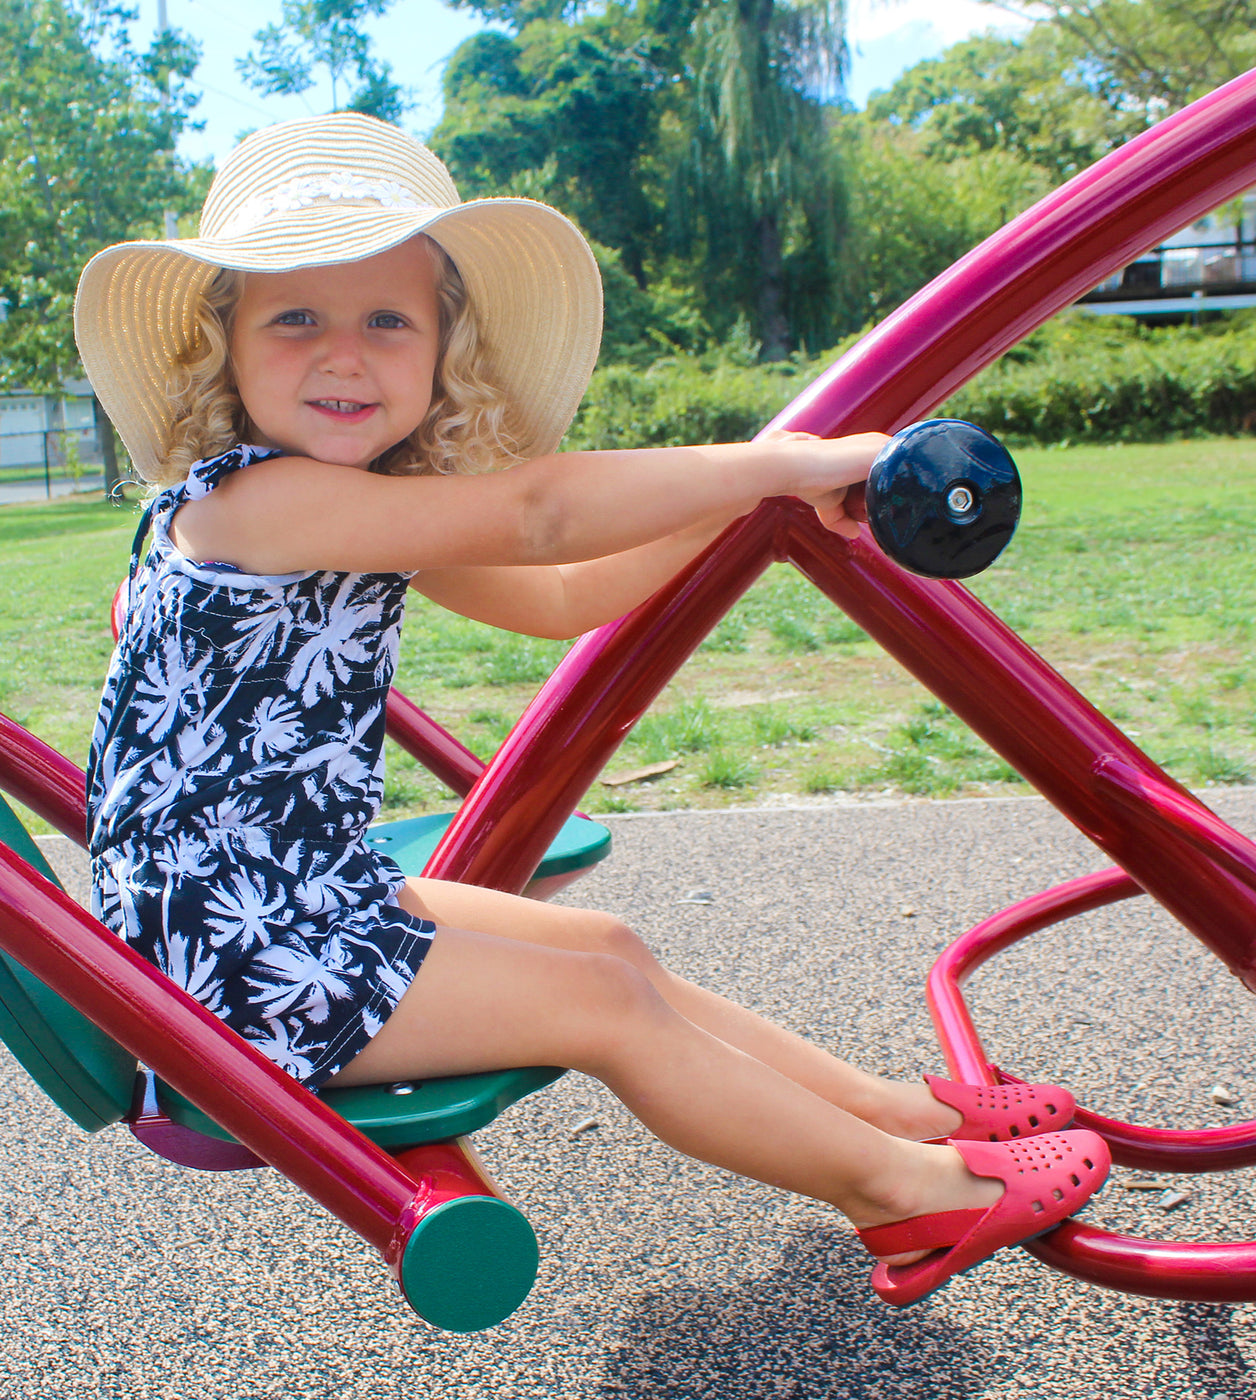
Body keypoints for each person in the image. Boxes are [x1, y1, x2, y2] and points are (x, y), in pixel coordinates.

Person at [74, 112, 1109, 1308]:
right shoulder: (264, 501)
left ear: (440, 353)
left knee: (611, 950)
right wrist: (782, 461)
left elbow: (565, 591)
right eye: (295, 315)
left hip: (284, 893)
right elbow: (542, 515)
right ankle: (907, 1194)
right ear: (229, 350)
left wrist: (741, 520)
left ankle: (900, 1112)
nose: (342, 354)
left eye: (386, 319)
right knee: (602, 1006)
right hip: (234, 949)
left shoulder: (360, 509)